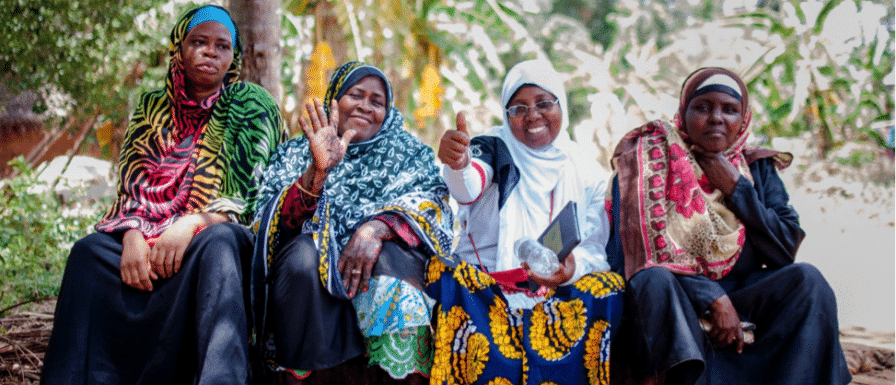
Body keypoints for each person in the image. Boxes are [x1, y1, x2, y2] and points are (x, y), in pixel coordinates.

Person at [40, 5, 287, 385]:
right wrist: (133, 234)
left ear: (233, 57)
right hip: (151, 232)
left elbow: (253, 194)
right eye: (198, 42)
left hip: (212, 236)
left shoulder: (252, 105)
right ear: (179, 49)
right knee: (89, 254)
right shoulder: (151, 107)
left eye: (222, 46)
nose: (210, 52)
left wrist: (190, 224)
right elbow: (132, 184)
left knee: (221, 242)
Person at [606, 67, 851, 385]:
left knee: (807, 280)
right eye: (703, 107)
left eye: (729, 109)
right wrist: (712, 298)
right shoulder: (648, 161)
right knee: (652, 280)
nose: (716, 118)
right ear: (684, 113)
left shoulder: (757, 167)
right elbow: (629, 254)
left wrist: (737, 189)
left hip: (743, 293)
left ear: (743, 119)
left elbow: (785, 248)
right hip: (676, 297)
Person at [252, 61, 455, 384]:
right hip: (307, 288)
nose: (365, 106)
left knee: (392, 258)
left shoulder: (410, 155)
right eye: (355, 95)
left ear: (387, 112)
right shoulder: (294, 153)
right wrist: (315, 175)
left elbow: (435, 209)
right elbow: (266, 224)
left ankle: (396, 373)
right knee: (303, 256)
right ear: (334, 100)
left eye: (377, 101)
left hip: (381, 279)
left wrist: (377, 228)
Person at [427, 59, 624, 385]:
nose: (533, 116)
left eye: (544, 103)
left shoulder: (585, 169)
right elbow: (469, 185)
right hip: (486, 283)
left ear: (561, 104)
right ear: (506, 116)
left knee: (610, 288)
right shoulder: (491, 146)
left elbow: (594, 248)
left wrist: (570, 268)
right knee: (451, 281)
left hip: (555, 287)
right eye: (518, 108)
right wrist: (458, 164)